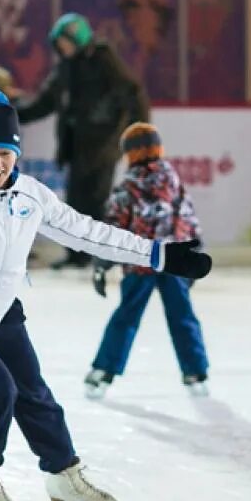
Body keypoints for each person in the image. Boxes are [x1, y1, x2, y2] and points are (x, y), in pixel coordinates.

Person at [0, 90, 211, 501]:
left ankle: (61, 475)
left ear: (16, 152)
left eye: (4, 153)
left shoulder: (30, 195)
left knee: (34, 393)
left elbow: (88, 233)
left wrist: (160, 255)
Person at [84, 123, 209, 399]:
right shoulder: (173, 182)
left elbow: (112, 230)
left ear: (130, 154)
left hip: (140, 263)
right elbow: (187, 218)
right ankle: (195, 371)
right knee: (182, 317)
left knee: (127, 317)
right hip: (173, 262)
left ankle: (104, 370)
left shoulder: (128, 187)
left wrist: (101, 265)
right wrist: (194, 253)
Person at [16, 13, 149, 269]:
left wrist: (138, 132)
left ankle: (106, 255)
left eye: (64, 42)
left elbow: (134, 93)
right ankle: (78, 255)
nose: (61, 48)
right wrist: (13, 112)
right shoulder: (65, 68)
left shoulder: (103, 60)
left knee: (97, 200)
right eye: (58, 44)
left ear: (77, 38)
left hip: (103, 144)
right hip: (76, 146)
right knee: (76, 203)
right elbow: (46, 102)